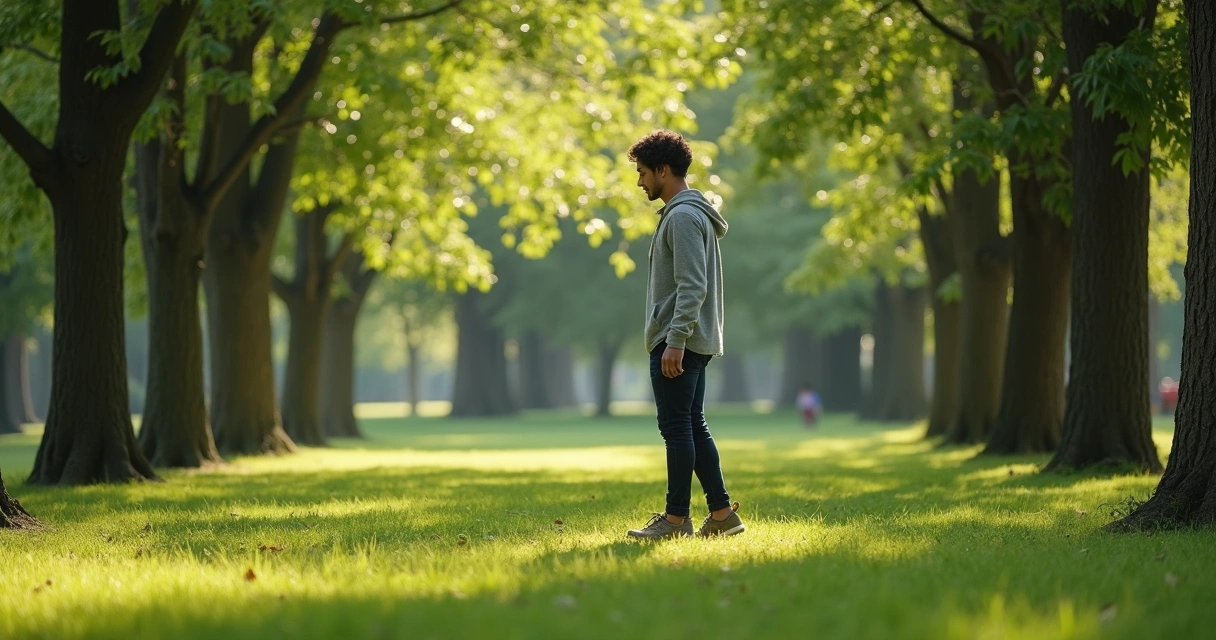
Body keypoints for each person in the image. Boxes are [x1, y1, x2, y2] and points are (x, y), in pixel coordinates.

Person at [624, 130, 746, 540]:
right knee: (692, 425)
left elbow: (692, 285)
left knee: (676, 428)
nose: (640, 182)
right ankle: (722, 513)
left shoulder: (682, 216)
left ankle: (675, 520)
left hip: (681, 340)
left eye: (643, 173)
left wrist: (675, 340)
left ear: (663, 170)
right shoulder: (690, 213)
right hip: (690, 338)